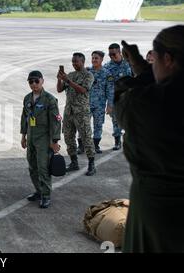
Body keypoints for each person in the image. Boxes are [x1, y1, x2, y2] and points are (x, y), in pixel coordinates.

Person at [114, 25, 184, 252]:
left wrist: (138, 67)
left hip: (158, 214)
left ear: (168, 59)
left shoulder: (145, 104)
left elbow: (123, 95)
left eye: (155, 61)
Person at [21, 71, 61, 208]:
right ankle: (38, 191)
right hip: (31, 136)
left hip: (44, 138)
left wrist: (54, 141)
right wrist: (23, 136)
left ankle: (46, 195)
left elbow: (56, 121)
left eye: (36, 81)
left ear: (42, 81)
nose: (33, 84)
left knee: (43, 167)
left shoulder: (49, 100)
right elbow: (24, 118)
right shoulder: (27, 98)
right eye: (30, 82)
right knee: (32, 166)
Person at [57, 53, 96, 176]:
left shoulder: (88, 75)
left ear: (83, 62)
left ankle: (91, 164)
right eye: (73, 62)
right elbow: (59, 89)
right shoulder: (70, 75)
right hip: (69, 112)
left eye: (76, 62)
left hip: (81, 112)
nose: (74, 64)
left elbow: (83, 90)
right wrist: (59, 78)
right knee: (69, 137)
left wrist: (68, 80)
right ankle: (74, 162)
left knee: (86, 138)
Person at [104, 43, 133, 151]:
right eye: (110, 54)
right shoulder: (107, 67)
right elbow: (105, 86)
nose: (111, 56)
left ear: (119, 52)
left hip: (129, 98)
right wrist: (108, 104)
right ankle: (117, 142)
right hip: (115, 99)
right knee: (116, 121)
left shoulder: (129, 63)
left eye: (114, 54)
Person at [87, 51, 114, 154]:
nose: (94, 60)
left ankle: (95, 145)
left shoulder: (107, 74)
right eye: (93, 58)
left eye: (96, 58)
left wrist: (109, 105)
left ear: (102, 60)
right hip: (86, 105)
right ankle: (81, 146)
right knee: (84, 125)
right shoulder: (87, 72)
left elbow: (110, 91)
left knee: (98, 125)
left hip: (100, 105)